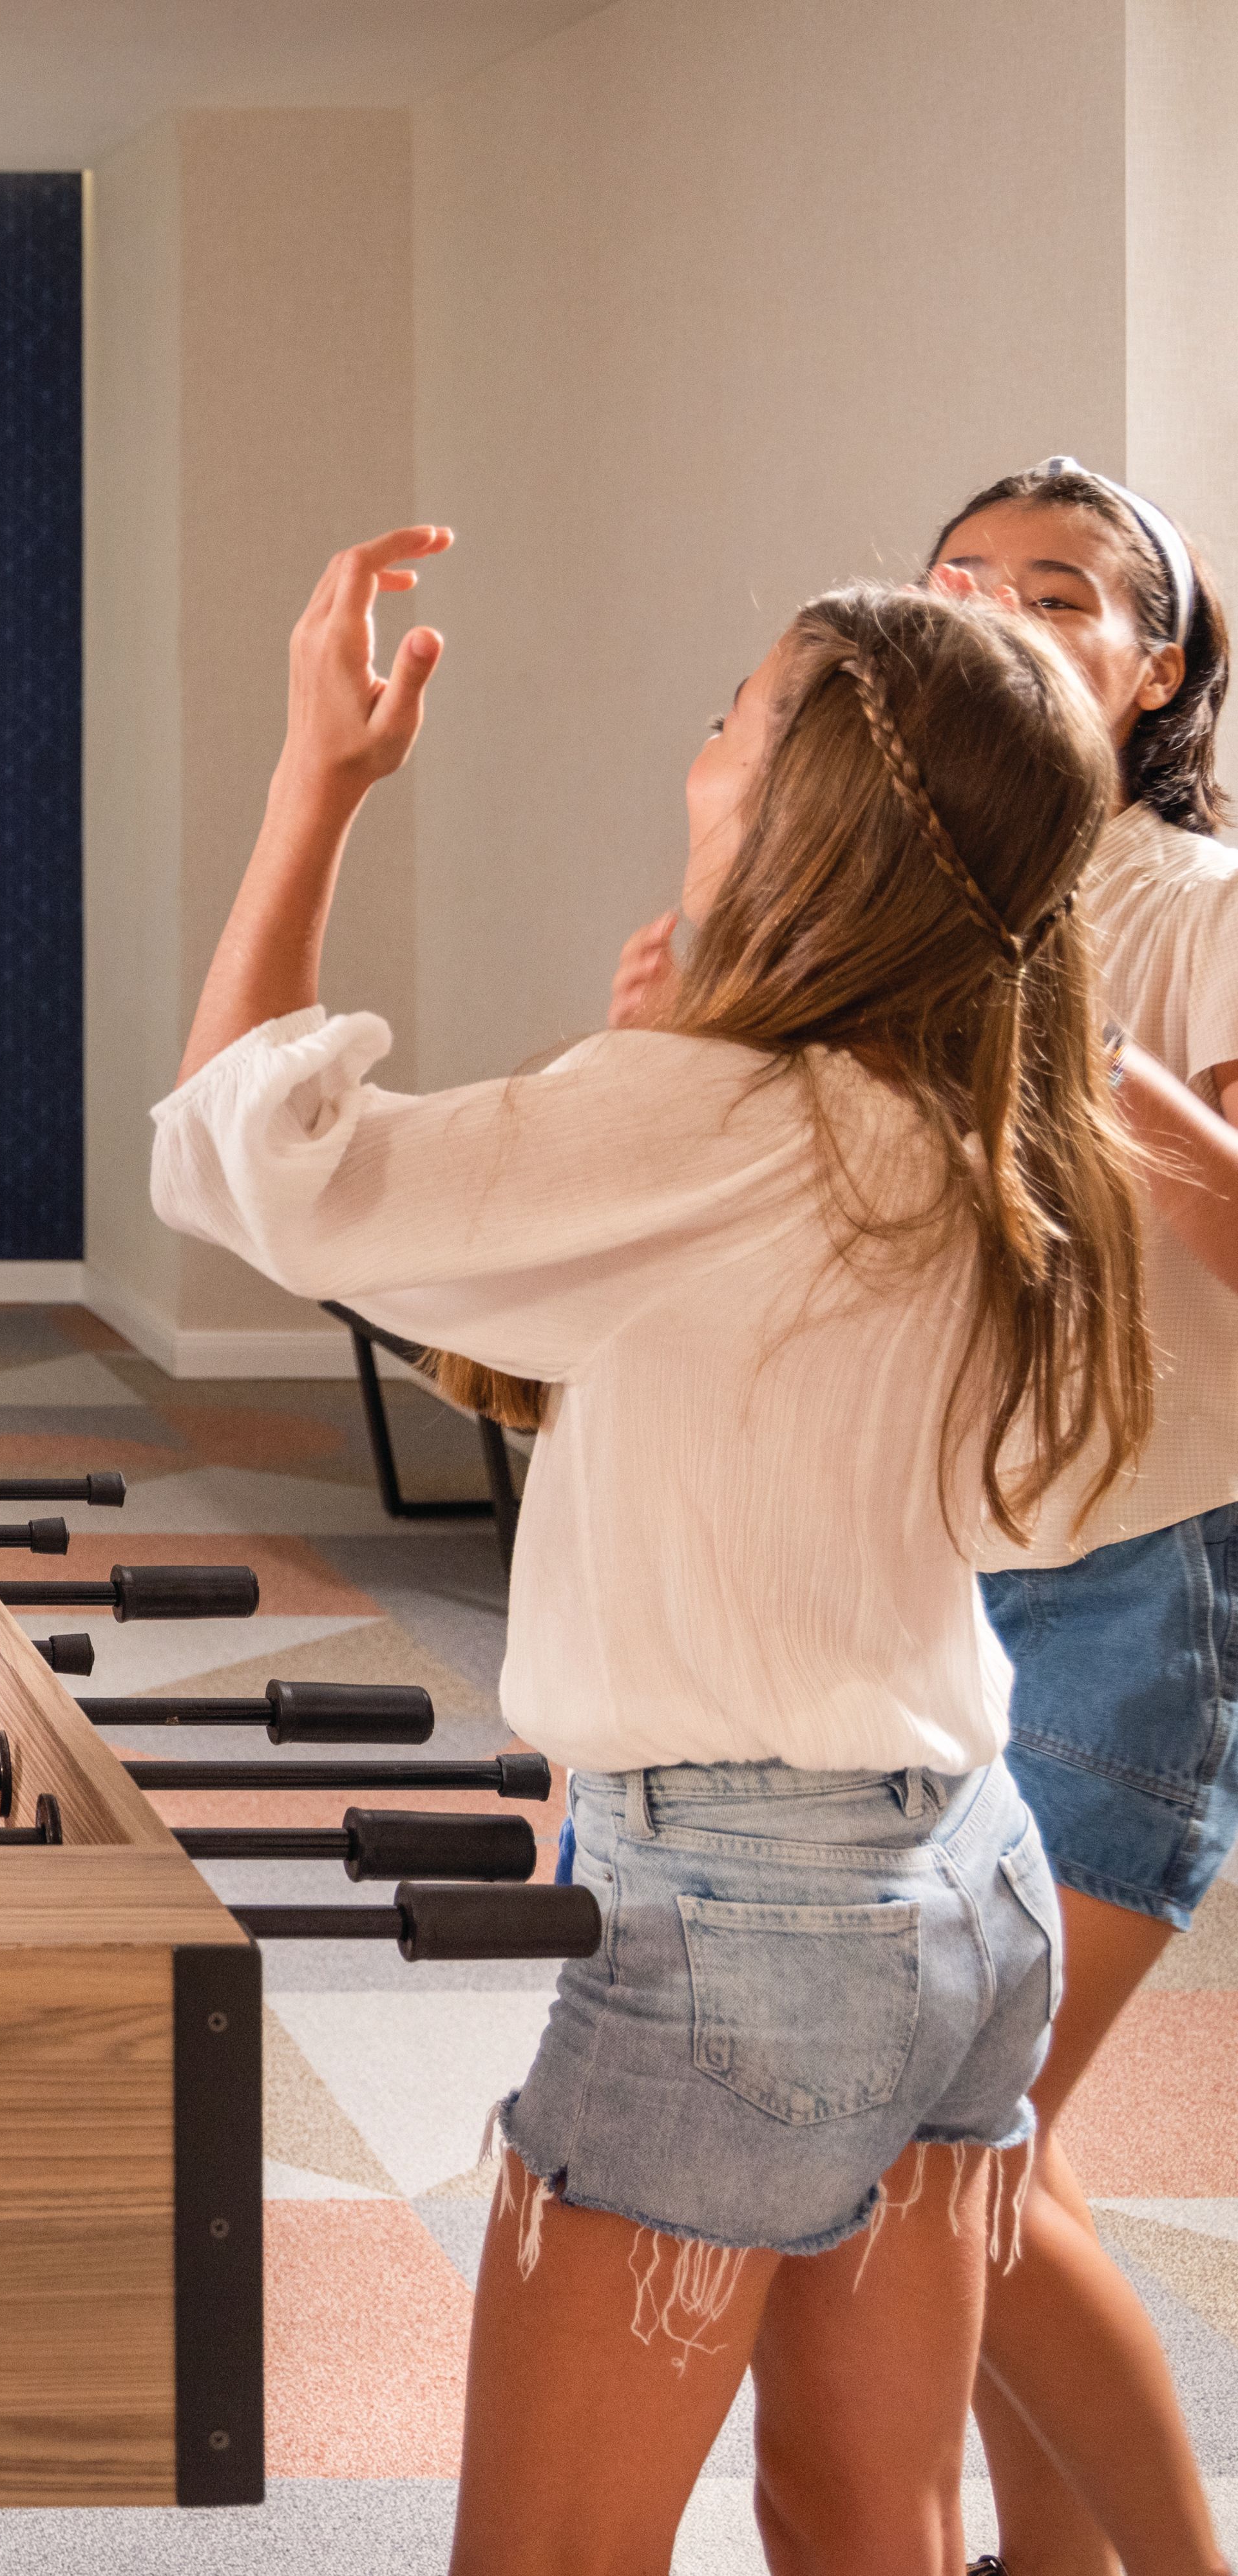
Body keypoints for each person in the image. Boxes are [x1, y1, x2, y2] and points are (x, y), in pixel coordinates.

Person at [153, 529, 1147, 2569]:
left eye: (726, 721)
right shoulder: (983, 1120)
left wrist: (317, 784)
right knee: (870, 2518)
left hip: (743, 1935)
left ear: (802, 806)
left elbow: (243, 1152)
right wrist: (673, 1043)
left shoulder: (709, 1121)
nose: (695, 754)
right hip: (970, 1882)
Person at [935, 462, 1238, 2576]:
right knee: (982, 2153)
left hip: (1146, 1576)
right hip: (914, 1576)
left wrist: (1078, 1035)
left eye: (1069, 591)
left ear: (1160, 676)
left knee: (954, 2150)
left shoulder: (1202, 911)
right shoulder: (872, 896)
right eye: (965, 583)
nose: (1011, 613)